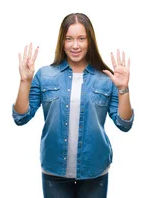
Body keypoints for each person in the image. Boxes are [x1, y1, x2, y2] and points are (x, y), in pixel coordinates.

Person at [12, 13, 134, 198]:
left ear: (89, 41)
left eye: (81, 39)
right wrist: (24, 81)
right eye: (69, 39)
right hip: (54, 171)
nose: (75, 45)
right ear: (62, 41)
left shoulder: (106, 78)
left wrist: (123, 89)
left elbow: (124, 124)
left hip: (95, 171)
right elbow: (21, 117)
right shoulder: (45, 75)